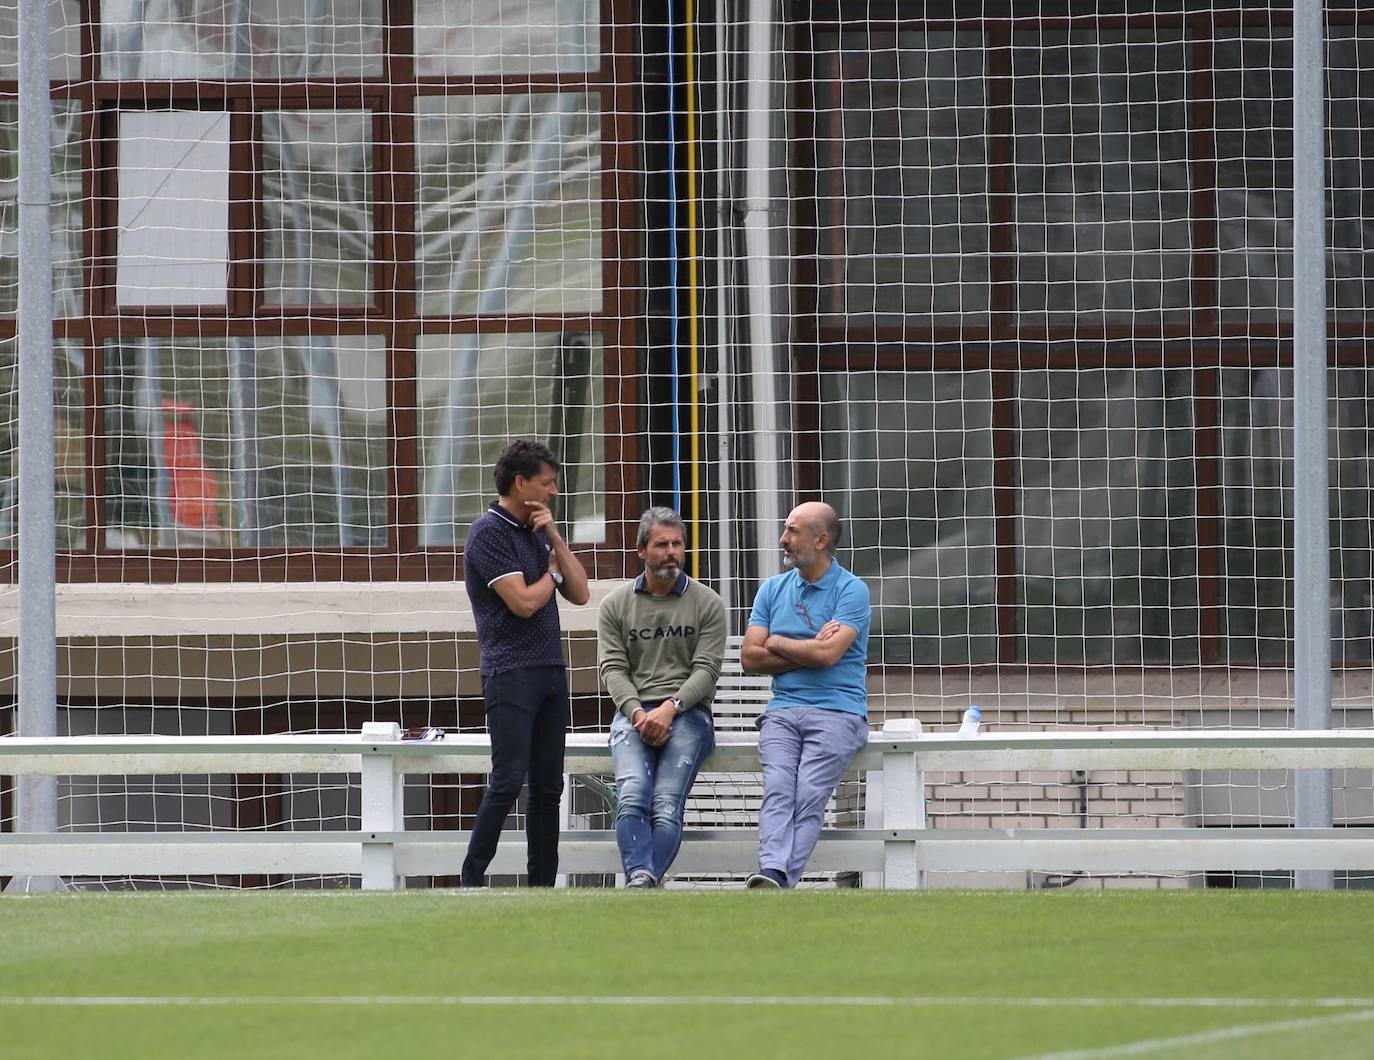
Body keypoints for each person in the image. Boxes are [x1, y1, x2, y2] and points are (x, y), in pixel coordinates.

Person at [460, 439, 590, 887]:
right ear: (521, 483)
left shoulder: (539, 532)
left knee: (548, 788)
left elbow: (581, 592)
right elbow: (524, 603)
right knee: (509, 778)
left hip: (551, 670)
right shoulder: (488, 532)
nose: (554, 491)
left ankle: (542, 885)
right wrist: (550, 574)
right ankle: (471, 878)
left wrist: (554, 537)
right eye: (547, 482)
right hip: (510, 673)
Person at [740, 501, 871, 889]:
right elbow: (749, 657)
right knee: (779, 788)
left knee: (809, 794)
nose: (784, 539)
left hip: (838, 713)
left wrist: (778, 641)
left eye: (793, 531)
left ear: (821, 540)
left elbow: (829, 655)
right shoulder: (773, 589)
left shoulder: (852, 591)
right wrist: (809, 649)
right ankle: (774, 873)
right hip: (782, 711)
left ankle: (777, 875)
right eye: (785, 529)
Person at [598, 507, 727, 888]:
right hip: (633, 715)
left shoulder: (708, 603)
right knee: (633, 794)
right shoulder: (615, 606)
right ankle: (644, 879)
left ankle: (641, 881)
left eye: (677, 544)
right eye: (661, 544)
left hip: (689, 715)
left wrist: (670, 709)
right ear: (641, 551)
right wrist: (640, 715)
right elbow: (613, 670)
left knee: (666, 803)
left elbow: (707, 670)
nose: (671, 551)